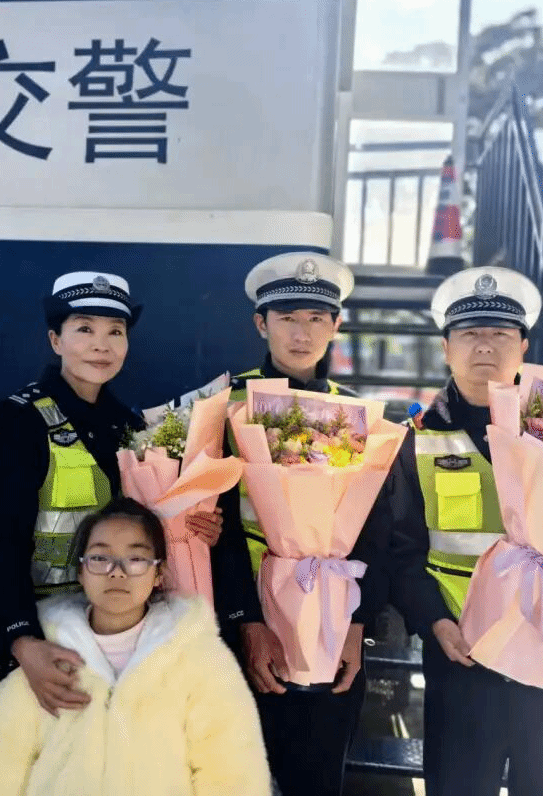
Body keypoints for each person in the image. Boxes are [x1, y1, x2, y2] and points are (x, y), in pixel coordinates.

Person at [375, 266, 543, 796]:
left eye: (501, 333)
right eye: (470, 333)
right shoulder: (416, 440)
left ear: (523, 346)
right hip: (463, 658)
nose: (485, 345)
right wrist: (434, 623)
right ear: (446, 348)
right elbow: (401, 552)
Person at [0, 271, 220, 714]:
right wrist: (21, 638)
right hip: (47, 633)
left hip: (121, 629)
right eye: (84, 329)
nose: (101, 346)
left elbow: (146, 525)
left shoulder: (129, 424)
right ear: (55, 340)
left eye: (115, 332)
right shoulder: (19, 419)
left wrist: (194, 523)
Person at [0, 497, 271, 796]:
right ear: (80, 570)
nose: (117, 572)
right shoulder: (43, 652)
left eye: (136, 559)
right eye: (100, 558)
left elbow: (232, 771)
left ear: (159, 573)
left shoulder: (198, 655)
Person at [211, 252, 382, 796]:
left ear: (336, 326)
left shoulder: (358, 414)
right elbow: (215, 528)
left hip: (331, 627)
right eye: (286, 318)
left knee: (319, 777)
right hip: (248, 619)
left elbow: (377, 531)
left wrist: (358, 627)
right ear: (261, 324)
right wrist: (246, 620)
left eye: (315, 319)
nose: (301, 333)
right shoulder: (224, 405)